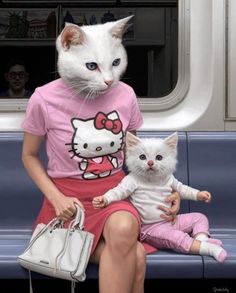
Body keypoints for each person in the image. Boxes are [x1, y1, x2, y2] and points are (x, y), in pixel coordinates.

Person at [21, 17, 180, 293]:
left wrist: (166, 191)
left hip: (113, 194)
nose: (108, 80)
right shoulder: (43, 99)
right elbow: (29, 156)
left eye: (114, 65)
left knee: (123, 228)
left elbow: (137, 158)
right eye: (93, 66)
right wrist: (57, 198)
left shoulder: (126, 95)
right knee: (136, 257)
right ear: (67, 46)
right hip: (67, 202)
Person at [93, 132, 227, 263]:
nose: (150, 162)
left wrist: (198, 195)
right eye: (143, 157)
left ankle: (202, 239)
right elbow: (119, 191)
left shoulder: (167, 178)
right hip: (151, 228)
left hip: (172, 221)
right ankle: (207, 249)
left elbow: (182, 189)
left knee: (199, 217)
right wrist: (106, 198)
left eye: (158, 158)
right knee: (176, 237)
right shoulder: (133, 179)